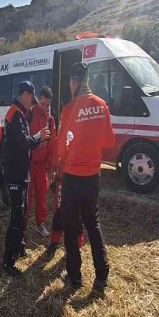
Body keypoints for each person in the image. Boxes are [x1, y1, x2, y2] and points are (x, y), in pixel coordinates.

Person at [56, 63, 115, 293]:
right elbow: (109, 142)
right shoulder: (102, 105)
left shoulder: (70, 108)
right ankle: (101, 277)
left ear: (73, 82)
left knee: (71, 228)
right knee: (92, 222)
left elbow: (61, 146)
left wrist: (71, 150)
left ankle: (75, 277)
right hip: (93, 176)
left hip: (72, 176)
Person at [1, 81, 51, 277]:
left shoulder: (20, 113)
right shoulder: (15, 114)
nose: (34, 102)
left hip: (21, 171)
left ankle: (19, 247)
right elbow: (22, 143)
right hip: (15, 173)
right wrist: (38, 137)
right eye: (32, 97)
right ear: (26, 95)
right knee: (16, 217)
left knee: (20, 214)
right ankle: (8, 261)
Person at [25, 86, 57, 237]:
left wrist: (51, 169)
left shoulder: (50, 120)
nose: (45, 107)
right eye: (43, 104)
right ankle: (22, 225)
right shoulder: (28, 114)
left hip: (42, 166)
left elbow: (53, 146)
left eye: (48, 105)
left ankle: (40, 224)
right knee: (27, 198)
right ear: (38, 100)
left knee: (42, 196)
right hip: (29, 164)